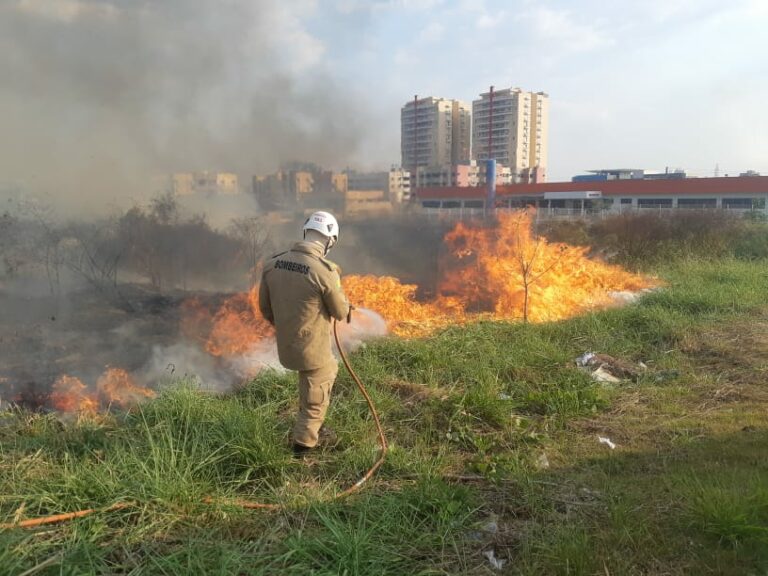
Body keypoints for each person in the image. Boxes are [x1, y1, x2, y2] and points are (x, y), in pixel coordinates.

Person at [258, 211, 351, 456]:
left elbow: (265, 308)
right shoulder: (325, 271)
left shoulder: (272, 264)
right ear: (330, 240)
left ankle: (307, 424)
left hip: (285, 345)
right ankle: (302, 448)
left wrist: (288, 326)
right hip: (312, 349)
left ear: (305, 232)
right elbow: (340, 312)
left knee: (310, 381)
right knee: (319, 387)